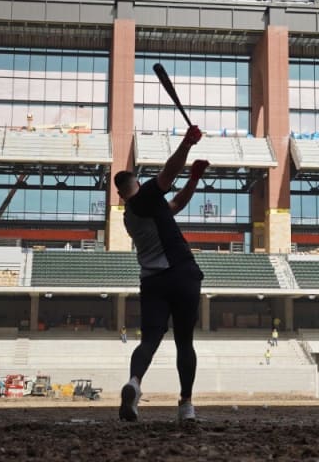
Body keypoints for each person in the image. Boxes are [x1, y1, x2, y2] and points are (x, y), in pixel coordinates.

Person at [114, 124, 209, 423]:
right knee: (185, 342)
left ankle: (134, 383)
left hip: (152, 281)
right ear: (138, 185)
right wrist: (187, 143)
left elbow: (176, 203)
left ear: (119, 194)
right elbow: (168, 174)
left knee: (149, 340)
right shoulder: (142, 200)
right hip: (180, 274)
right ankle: (186, 404)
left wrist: (193, 179)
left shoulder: (134, 213)